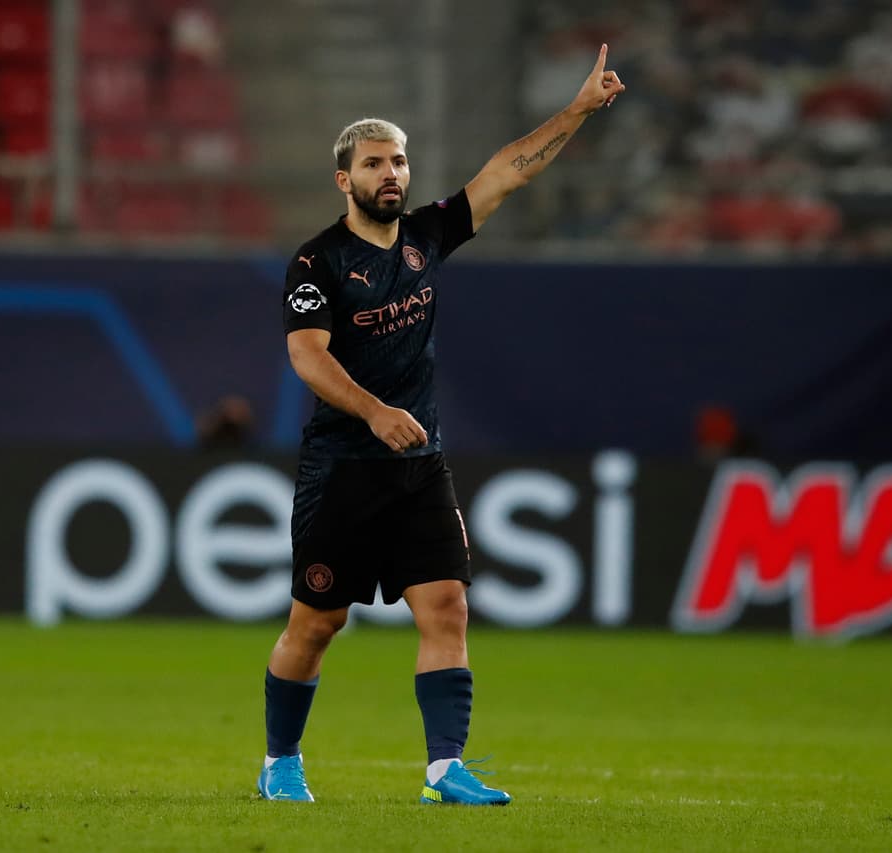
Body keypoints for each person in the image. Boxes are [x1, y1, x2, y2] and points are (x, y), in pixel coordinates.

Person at [259, 45, 625, 806]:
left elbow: (508, 171)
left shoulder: (428, 235)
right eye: (373, 164)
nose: (390, 173)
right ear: (344, 179)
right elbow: (306, 357)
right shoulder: (316, 262)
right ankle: (280, 763)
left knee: (448, 605)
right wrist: (372, 408)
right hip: (342, 469)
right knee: (317, 622)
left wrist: (581, 108)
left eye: (398, 161)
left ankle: (443, 770)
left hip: (420, 462)